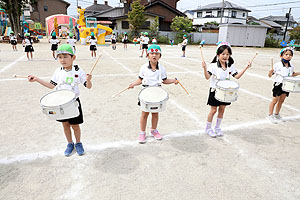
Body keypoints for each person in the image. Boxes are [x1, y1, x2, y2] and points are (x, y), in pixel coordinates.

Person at [27, 44, 92, 156]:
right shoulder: (58, 71)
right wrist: (37, 79)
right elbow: (51, 85)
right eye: (60, 57)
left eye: (66, 56)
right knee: (65, 125)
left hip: (73, 103)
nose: (62, 60)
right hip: (60, 102)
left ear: (73, 57)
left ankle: (78, 143)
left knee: (75, 125)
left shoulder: (78, 70)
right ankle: (69, 143)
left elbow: (88, 86)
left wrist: (88, 80)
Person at [129, 44, 179, 143]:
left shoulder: (162, 68)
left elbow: (164, 80)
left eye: (156, 53)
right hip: (146, 92)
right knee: (144, 113)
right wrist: (133, 84)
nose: (154, 55)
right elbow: (140, 79)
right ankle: (142, 133)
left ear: (160, 56)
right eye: (151, 53)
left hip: (157, 93)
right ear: (147, 55)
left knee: (155, 113)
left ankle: (154, 130)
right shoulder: (143, 67)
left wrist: (174, 80)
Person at [202, 42, 252, 137]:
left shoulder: (230, 65)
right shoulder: (213, 65)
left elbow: (237, 76)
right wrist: (204, 68)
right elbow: (207, 77)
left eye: (227, 54)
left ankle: (217, 127)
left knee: (222, 110)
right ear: (218, 54)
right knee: (213, 110)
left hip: (226, 91)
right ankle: (208, 128)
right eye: (223, 54)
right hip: (215, 91)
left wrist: (246, 67)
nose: (225, 56)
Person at [267, 47, 300, 123]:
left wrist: (299, 73)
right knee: (275, 100)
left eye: (290, 55)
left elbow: (292, 74)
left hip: (287, 85)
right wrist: (270, 71)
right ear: (281, 56)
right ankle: (270, 115)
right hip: (279, 84)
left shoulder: (291, 65)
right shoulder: (277, 65)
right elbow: (269, 75)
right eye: (286, 54)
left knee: (282, 100)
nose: (288, 56)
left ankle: (276, 114)